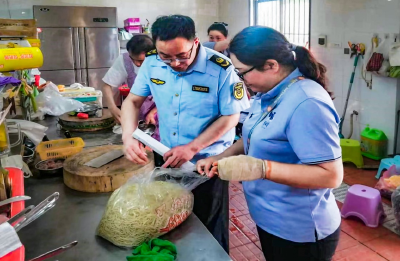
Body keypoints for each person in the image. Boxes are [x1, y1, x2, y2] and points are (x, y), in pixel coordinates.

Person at [197, 26, 342, 261]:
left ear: (272, 65)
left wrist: (262, 168)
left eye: (242, 72)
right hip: (270, 219)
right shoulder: (268, 92)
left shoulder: (307, 103)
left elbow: (330, 176)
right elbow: (253, 135)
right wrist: (220, 156)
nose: (240, 79)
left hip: (299, 230)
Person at [121, 15, 249, 253]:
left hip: (206, 163)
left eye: (182, 55)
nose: (174, 63)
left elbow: (231, 116)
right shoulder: (151, 62)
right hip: (166, 155)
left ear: (196, 42)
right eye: (166, 56)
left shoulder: (220, 68)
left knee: (208, 225)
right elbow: (132, 101)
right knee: (170, 220)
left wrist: (192, 148)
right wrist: (128, 136)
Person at [102, 35, 159, 140]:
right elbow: (107, 85)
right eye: (133, 59)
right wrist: (112, 107)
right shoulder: (125, 60)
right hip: (140, 117)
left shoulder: (163, 61)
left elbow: (174, 94)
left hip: (164, 113)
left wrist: (154, 111)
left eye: (141, 61)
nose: (137, 64)